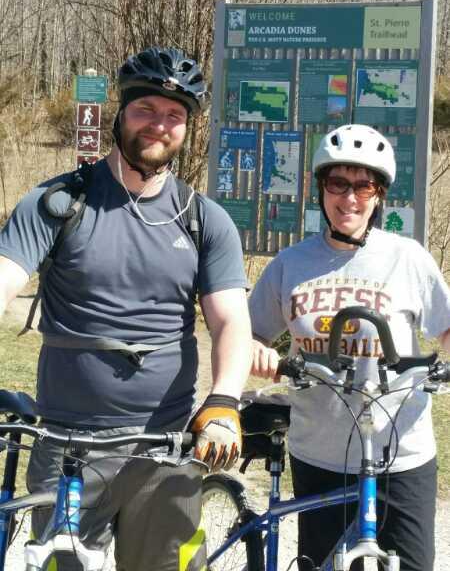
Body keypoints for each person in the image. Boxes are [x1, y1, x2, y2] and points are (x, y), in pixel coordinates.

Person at [0, 46, 253, 571]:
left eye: (174, 115)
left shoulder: (205, 220)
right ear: (120, 112)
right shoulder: (58, 204)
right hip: (67, 445)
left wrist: (225, 401)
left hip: (165, 446)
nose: (159, 125)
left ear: (187, 128)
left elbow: (230, 319)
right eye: (145, 110)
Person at [249, 124, 450, 571]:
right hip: (319, 450)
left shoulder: (408, 258)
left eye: (364, 185)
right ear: (321, 189)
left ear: (379, 194)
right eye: (338, 183)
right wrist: (256, 350)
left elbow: (446, 327)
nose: (350, 198)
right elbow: (247, 333)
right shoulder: (291, 263)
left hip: (401, 454)